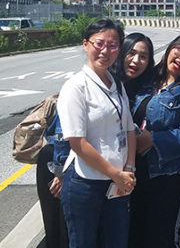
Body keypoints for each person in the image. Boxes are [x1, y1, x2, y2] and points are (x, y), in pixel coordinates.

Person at [57, 19, 137, 248]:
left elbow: (129, 128)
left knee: (117, 242)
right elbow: (77, 143)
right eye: (99, 43)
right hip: (86, 183)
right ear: (85, 44)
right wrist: (116, 173)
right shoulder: (76, 87)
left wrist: (129, 169)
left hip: (118, 183)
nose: (105, 51)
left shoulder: (116, 84)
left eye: (113, 45)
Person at [132, 30, 180, 247]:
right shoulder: (147, 81)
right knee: (134, 231)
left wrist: (154, 139)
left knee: (160, 236)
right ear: (171, 47)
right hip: (136, 170)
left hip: (168, 175)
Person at [108, 33, 156, 248]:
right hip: (101, 167)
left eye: (144, 57)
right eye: (132, 53)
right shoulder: (103, 81)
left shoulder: (150, 89)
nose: (137, 61)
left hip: (133, 170)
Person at [36, 144, 68, 247]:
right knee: (60, 219)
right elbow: (61, 134)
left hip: (58, 157)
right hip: (59, 158)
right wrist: (59, 171)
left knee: (54, 218)